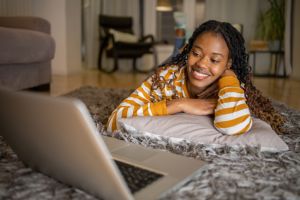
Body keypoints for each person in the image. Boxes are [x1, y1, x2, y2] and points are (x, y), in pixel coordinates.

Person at [106, 20, 286, 135]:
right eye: (196, 53)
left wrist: (229, 77)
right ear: (189, 51)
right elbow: (115, 120)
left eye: (215, 59)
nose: (201, 63)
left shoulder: (229, 86)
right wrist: (179, 104)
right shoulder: (165, 78)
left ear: (228, 63)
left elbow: (232, 126)